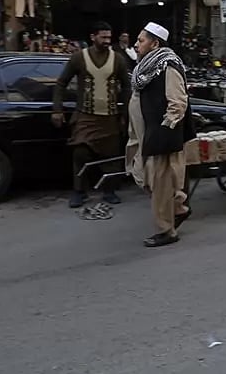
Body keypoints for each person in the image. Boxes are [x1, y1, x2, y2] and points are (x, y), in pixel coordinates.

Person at [125, 22, 193, 248]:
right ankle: (179, 208)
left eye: (141, 40)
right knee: (147, 180)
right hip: (145, 137)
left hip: (159, 138)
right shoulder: (145, 68)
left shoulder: (168, 66)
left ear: (155, 44)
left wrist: (163, 131)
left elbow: (177, 103)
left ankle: (167, 231)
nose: (136, 44)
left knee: (160, 185)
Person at [53, 22, 131, 208]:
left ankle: (109, 191)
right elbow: (61, 83)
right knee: (80, 153)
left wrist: (125, 113)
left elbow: (127, 86)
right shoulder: (79, 58)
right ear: (93, 37)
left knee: (110, 156)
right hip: (85, 116)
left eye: (108, 38)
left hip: (110, 117)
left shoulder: (118, 59)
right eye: (102, 37)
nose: (106, 41)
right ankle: (79, 192)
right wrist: (57, 110)